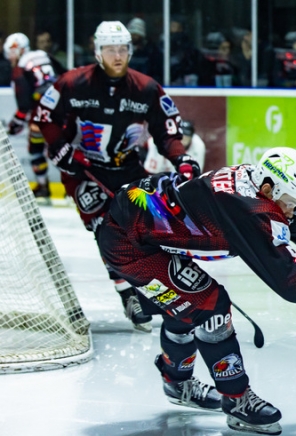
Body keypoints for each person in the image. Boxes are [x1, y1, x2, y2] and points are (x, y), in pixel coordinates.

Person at [95, 147, 296, 435]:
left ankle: (176, 383)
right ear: (267, 188)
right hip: (129, 246)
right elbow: (289, 278)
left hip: (146, 232)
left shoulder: (261, 186)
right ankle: (236, 401)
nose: (292, 210)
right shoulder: (246, 207)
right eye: (289, 203)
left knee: (185, 307)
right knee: (211, 307)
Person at [32, 21, 201, 333]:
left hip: (127, 170)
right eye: (110, 49)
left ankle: (159, 292)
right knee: (105, 228)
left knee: (148, 229)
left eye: (123, 48)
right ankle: (127, 294)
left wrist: (181, 158)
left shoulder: (146, 88)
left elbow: (168, 130)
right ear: (98, 51)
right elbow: (45, 116)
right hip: (85, 172)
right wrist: (60, 149)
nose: (117, 55)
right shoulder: (73, 83)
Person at [4, 32, 67, 199]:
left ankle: (42, 185)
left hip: (43, 112)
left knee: (36, 148)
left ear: (18, 50)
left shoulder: (20, 69)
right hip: (64, 106)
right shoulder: (43, 54)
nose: (10, 58)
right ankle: (74, 187)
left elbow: (24, 106)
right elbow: (66, 75)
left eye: (10, 53)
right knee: (65, 148)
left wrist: (13, 125)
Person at [126, 18, 163, 83]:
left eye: (136, 34)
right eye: (131, 33)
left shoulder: (152, 51)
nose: (133, 36)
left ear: (142, 35)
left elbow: (156, 72)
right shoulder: (125, 50)